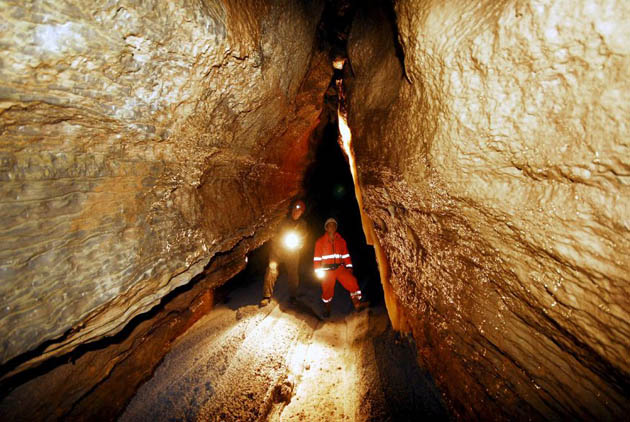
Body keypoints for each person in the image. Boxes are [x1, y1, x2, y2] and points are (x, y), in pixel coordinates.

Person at [313, 218, 369, 317]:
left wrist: (349, 267)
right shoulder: (320, 242)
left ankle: (357, 304)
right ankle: (327, 308)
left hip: (340, 268)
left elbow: (346, 255)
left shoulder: (341, 241)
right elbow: (317, 258)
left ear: (336, 227)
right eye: (329, 225)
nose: (332, 227)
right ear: (326, 228)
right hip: (327, 270)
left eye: (334, 225)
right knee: (327, 288)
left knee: (352, 281)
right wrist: (317, 271)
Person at [260, 199, 307, 307]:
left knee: (293, 275)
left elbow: (304, 238)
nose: (296, 212)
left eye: (299, 211)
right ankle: (266, 296)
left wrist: (299, 245)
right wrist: (278, 240)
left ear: (302, 213)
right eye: (295, 209)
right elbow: (273, 234)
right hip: (278, 251)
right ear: (292, 209)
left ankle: (293, 296)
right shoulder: (282, 220)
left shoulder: (303, 224)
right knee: (271, 270)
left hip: (292, 252)